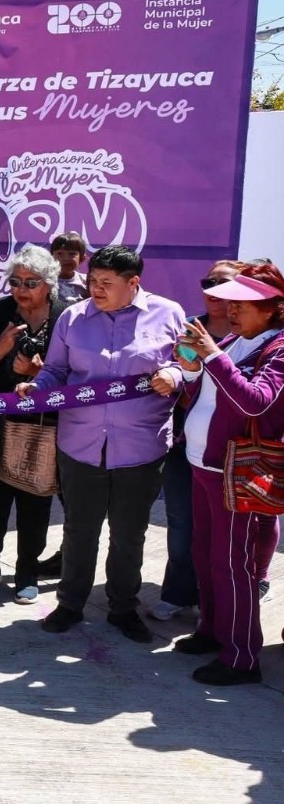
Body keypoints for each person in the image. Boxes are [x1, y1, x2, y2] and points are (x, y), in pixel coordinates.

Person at [17, 245, 187, 643]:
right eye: (93, 281)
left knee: (129, 533)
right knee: (79, 529)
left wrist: (176, 376)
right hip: (80, 444)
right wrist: (36, 387)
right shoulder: (73, 318)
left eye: (106, 284)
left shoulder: (169, 314)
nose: (96, 289)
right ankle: (70, 604)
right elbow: (57, 370)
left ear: (134, 283)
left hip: (141, 447)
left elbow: (187, 362)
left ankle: (123, 608)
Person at [169, 264, 284, 685]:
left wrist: (213, 356)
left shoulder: (279, 348)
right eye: (230, 301)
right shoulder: (237, 338)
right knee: (205, 553)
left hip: (235, 470)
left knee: (233, 564)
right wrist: (192, 364)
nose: (232, 309)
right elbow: (200, 392)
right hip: (203, 461)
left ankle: (241, 656)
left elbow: (255, 403)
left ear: (273, 309)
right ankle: (213, 631)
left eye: (243, 303)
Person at [0, 245, 68, 603]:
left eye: (31, 282)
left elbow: (76, 375)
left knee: (35, 499)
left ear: (49, 284)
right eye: (15, 281)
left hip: (48, 423)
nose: (21, 289)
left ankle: (27, 568)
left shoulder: (65, 317)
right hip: (0, 421)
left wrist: (38, 374)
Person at [152, 258, 246, 622]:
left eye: (223, 284)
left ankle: (223, 598)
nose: (213, 292)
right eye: (209, 283)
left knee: (229, 530)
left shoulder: (251, 336)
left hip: (235, 449)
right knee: (181, 522)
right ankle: (177, 593)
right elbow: (179, 379)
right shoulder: (190, 329)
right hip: (184, 445)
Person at [51, 232, 88, 306]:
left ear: (82, 258)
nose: (65, 259)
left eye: (72, 254)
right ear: (51, 257)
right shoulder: (46, 282)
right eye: (60, 253)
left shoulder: (87, 282)